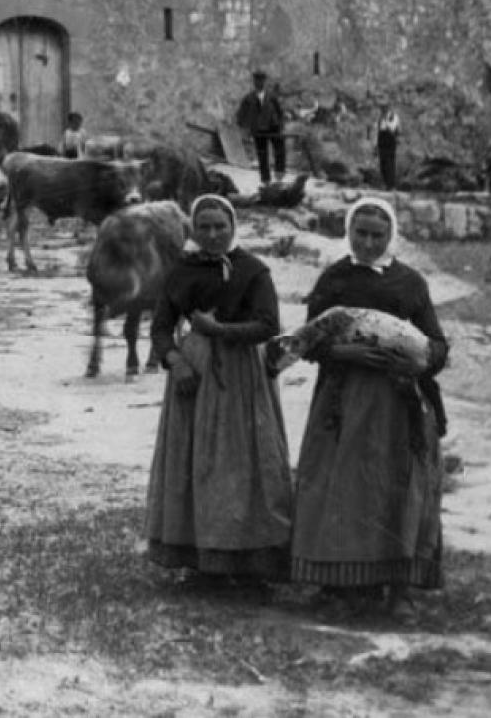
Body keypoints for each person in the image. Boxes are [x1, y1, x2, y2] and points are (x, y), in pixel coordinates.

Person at [289, 197, 450, 619]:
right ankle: (339, 585)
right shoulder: (335, 279)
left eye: (377, 235)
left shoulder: (410, 284)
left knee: (394, 485)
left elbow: (437, 343)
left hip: (397, 403)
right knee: (340, 485)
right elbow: (310, 340)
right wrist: (348, 354)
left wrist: (416, 360)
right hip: (343, 399)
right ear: (349, 232)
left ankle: (398, 587)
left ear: (390, 236)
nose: (368, 242)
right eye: (360, 233)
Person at [144, 195, 295, 588]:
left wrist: (221, 332)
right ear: (193, 229)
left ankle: (250, 564)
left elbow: (267, 325)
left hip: (244, 374)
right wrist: (174, 362)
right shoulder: (182, 270)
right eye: (204, 227)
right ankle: (200, 563)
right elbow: (161, 326)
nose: (212, 234)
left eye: (220, 226)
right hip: (194, 376)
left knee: (246, 463)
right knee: (198, 463)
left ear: (233, 227)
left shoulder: (253, 270)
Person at [236, 70, 287, 185]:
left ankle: (279, 176)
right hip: (258, 130)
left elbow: (280, 112)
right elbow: (240, 115)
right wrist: (245, 129)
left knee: (280, 151)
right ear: (254, 82)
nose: (259, 83)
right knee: (262, 154)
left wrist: (280, 125)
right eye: (257, 81)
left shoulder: (272, 97)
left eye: (261, 80)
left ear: (264, 82)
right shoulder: (248, 98)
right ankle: (266, 180)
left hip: (274, 128)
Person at [375, 104, 401, 191]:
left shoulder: (393, 116)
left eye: (384, 108)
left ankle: (391, 185)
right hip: (382, 140)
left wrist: (386, 121)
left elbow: (392, 128)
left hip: (390, 139)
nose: (382, 110)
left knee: (390, 163)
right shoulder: (380, 118)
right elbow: (379, 130)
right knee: (382, 163)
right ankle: (385, 183)